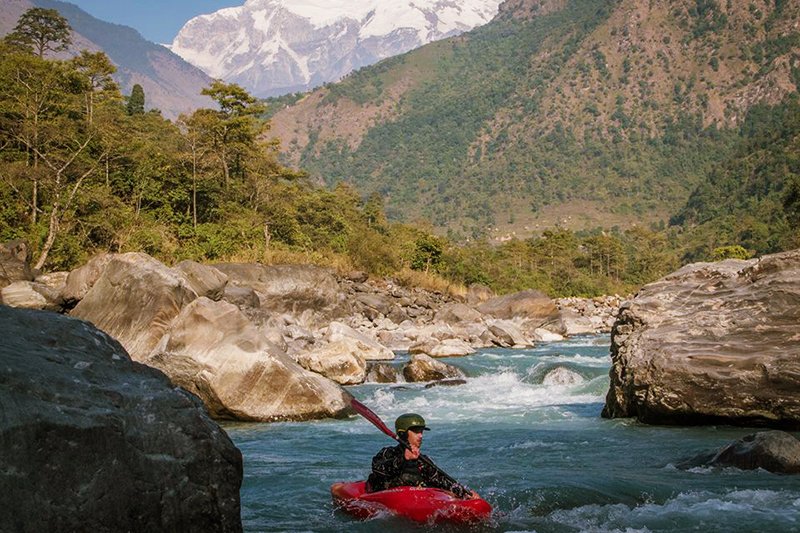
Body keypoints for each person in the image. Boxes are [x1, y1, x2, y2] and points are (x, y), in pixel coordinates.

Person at [365, 413, 476, 499]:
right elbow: (378, 470)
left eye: (421, 432)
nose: (421, 436)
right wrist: (403, 459)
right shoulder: (388, 453)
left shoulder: (423, 461)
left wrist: (464, 493)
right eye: (416, 432)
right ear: (403, 434)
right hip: (386, 496)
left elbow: (441, 480)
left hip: (413, 498)